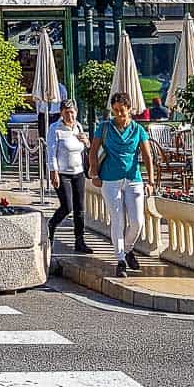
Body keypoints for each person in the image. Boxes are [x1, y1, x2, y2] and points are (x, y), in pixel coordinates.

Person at [89, 91, 153, 279]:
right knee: (117, 220)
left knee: (137, 222)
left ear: (129, 110)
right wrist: (94, 173)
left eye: (122, 111)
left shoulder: (138, 130)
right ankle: (120, 260)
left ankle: (127, 248)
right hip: (110, 179)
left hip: (134, 179)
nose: (118, 114)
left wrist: (150, 180)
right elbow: (93, 152)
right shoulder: (104, 127)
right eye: (115, 110)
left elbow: (148, 156)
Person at [46, 99, 93, 254]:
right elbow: (51, 152)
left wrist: (86, 142)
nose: (70, 115)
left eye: (72, 112)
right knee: (67, 206)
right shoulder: (55, 128)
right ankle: (51, 225)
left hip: (78, 172)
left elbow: (86, 148)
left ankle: (79, 240)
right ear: (61, 113)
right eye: (66, 112)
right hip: (63, 173)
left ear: (76, 112)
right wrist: (54, 172)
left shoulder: (78, 126)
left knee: (80, 209)